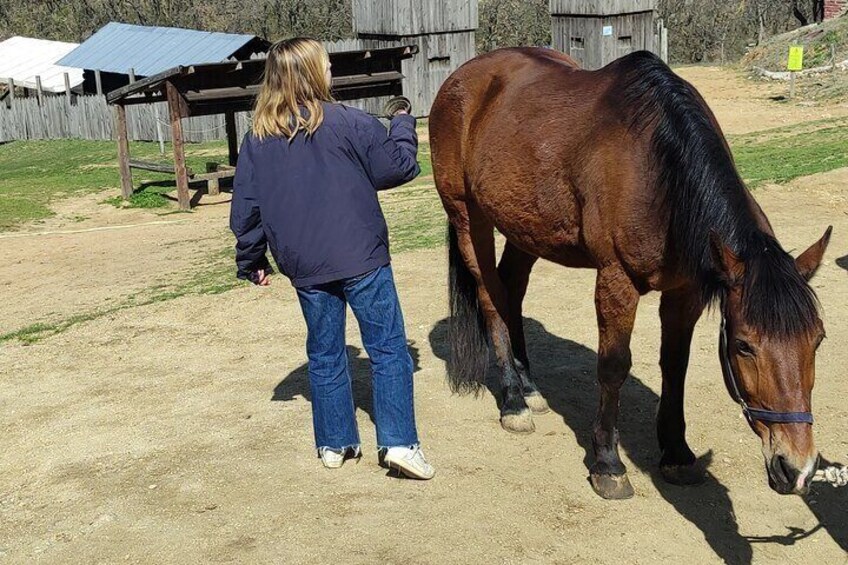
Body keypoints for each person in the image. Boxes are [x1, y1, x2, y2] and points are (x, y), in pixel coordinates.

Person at [229, 37, 434, 480]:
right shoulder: (349, 122)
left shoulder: (257, 139)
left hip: (305, 265)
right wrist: (401, 122)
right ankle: (399, 442)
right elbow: (397, 167)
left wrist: (252, 259)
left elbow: (246, 207)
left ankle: (334, 442)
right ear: (313, 73)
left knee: (323, 353)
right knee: (388, 349)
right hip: (362, 259)